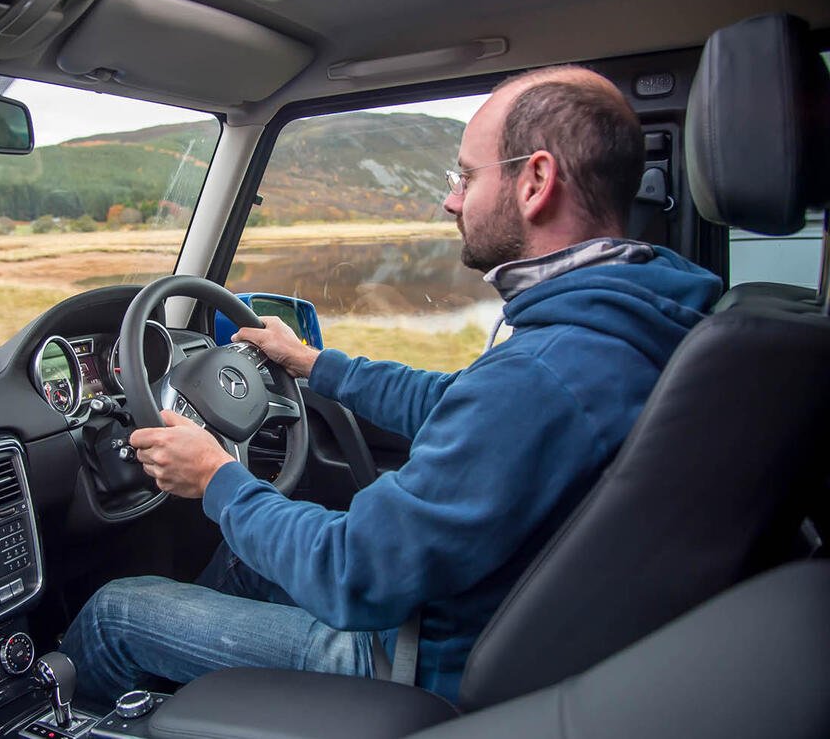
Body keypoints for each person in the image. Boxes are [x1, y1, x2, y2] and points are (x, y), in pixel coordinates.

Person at [59, 65, 723, 705]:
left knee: (115, 613)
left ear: (536, 181)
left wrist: (216, 478)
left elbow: (352, 573)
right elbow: (458, 405)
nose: (452, 198)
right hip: (482, 620)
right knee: (245, 555)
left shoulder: (547, 370)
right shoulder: (622, 317)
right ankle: (214, 706)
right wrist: (316, 365)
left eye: (466, 176)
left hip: (415, 657)